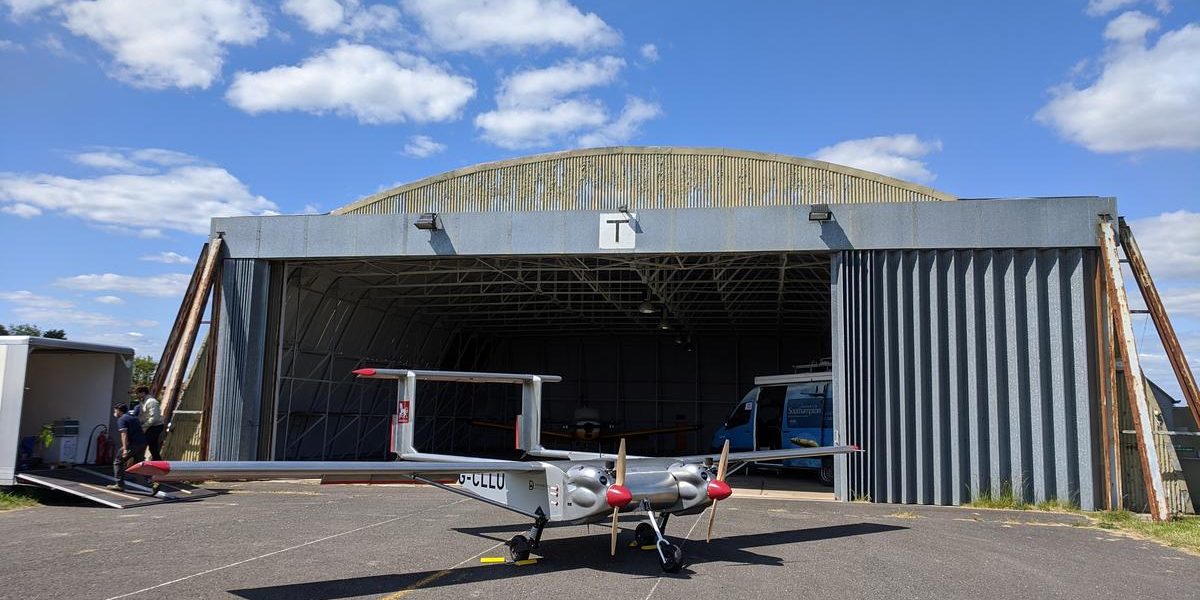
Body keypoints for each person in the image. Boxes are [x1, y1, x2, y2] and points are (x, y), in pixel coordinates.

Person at [109, 403, 148, 492]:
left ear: (119, 410)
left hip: (133, 444)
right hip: (142, 443)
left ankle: (119, 485)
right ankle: (152, 482)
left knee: (118, 462)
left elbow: (124, 435)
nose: (114, 412)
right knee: (139, 464)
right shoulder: (133, 417)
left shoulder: (122, 419)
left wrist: (125, 449)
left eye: (115, 410)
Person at [134, 386, 164, 461]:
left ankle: (139, 462)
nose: (136, 395)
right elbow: (143, 415)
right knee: (153, 447)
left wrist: (144, 427)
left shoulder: (151, 402)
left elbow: (154, 417)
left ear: (143, 393)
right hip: (151, 426)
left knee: (142, 443)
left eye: (137, 393)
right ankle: (158, 463)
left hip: (155, 426)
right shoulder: (143, 401)